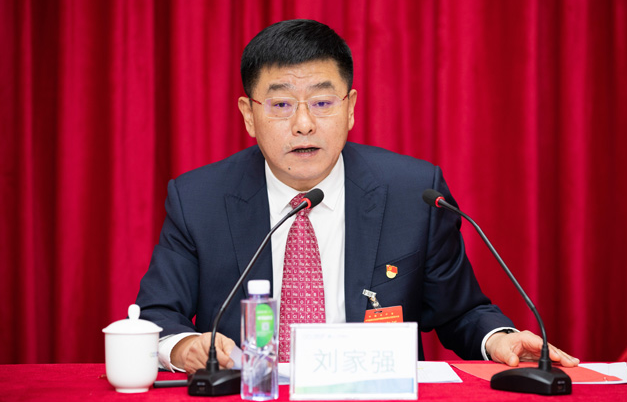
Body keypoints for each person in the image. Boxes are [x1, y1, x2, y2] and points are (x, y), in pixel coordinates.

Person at [135, 19, 579, 374]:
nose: (304, 124)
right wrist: (186, 347)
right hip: (252, 394)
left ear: (350, 108)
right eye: (281, 105)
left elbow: (459, 312)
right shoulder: (199, 199)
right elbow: (158, 316)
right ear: (249, 115)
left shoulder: (413, 193)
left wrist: (499, 339)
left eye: (323, 103)